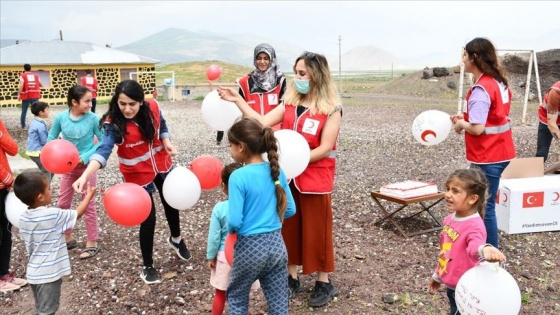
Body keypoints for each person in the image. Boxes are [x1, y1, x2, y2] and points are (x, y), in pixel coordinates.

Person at [218, 51, 343, 307]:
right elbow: (262, 122)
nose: (296, 78)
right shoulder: (289, 101)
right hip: (287, 177)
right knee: (289, 225)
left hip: (314, 179)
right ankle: (291, 275)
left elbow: (325, 146)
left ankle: (323, 280)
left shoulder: (332, 109)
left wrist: (297, 160)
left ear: (316, 76)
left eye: (301, 73)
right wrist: (237, 101)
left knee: (318, 229)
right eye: (296, 72)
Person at [72, 79, 191, 284]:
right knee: (148, 218)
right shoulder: (113, 125)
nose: (127, 109)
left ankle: (176, 240)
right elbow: (103, 151)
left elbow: (161, 124)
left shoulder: (152, 106)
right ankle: (148, 265)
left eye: (132, 104)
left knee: (172, 203)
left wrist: (167, 142)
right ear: (116, 102)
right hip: (137, 174)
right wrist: (84, 175)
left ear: (141, 102)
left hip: (162, 164)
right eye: (122, 103)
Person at [224, 117, 295, 314]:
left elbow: (234, 220)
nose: (230, 150)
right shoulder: (276, 171)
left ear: (240, 146)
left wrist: (230, 230)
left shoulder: (238, 176)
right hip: (277, 246)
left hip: (249, 248)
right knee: (279, 301)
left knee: (238, 297)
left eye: (230, 145)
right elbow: (290, 210)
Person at [451, 37, 516, 249]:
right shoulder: (497, 81)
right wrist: (466, 116)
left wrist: (462, 123)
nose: (462, 60)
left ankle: (489, 255)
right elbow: (493, 115)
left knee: (484, 206)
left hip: (488, 155)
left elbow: (478, 128)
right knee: (483, 203)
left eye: (464, 55)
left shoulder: (481, 89)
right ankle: (480, 246)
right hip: (501, 151)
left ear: (474, 57)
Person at [13, 169, 96, 314]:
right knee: (47, 311)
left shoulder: (23, 218)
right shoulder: (52, 215)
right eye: (49, 189)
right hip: (48, 275)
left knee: (41, 308)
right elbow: (77, 214)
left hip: (33, 273)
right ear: (40, 197)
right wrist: (88, 195)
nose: (52, 191)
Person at [429, 168, 506, 315]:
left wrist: (485, 249)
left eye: (455, 191)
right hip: (452, 287)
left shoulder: (474, 226)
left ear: (472, 198)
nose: (447, 194)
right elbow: (445, 252)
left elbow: (474, 247)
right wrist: (438, 276)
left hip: (467, 290)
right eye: (447, 189)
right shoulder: (449, 219)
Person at [48, 85, 103, 259]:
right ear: (74, 102)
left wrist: (85, 157)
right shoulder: (61, 118)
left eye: (91, 100)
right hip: (67, 168)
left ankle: (92, 242)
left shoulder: (93, 118)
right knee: (63, 203)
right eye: (87, 101)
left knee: (88, 203)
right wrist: (53, 157)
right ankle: (67, 237)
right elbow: (51, 140)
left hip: (88, 167)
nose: (90, 103)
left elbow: (101, 142)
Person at [206, 162, 260, 315]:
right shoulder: (253, 206)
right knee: (242, 294)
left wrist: (211, 256)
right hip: (248, 255)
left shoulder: (220, 208)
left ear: (223, 186)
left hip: (224, 257)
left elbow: (214, 236)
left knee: (220, 293)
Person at [215, 43, 287, 145]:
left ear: (272, 60)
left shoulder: (280, 80)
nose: (262, 62)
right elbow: (240, 110)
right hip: (252, 134)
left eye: (266, 58)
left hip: (275, 134)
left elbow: (285, 109)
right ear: (254, 59)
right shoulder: (245, 82)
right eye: (259, 58)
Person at [0, 119, 28, 292]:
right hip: (5, 182)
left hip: (3, 188)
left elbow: (13, 149)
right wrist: (9, 180)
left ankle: (3, 274)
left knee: (6, 232)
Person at [25, 101, 52, 182]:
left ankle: (45, 187)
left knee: (51, 168)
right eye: (47, 110)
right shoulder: (40, 125)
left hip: (33, 151)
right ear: (41, 113)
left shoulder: (36, 121)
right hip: (36, 152)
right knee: (47, 171)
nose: (49, 111)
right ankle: (45, 189)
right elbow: (44, 141)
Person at [535, 81, 560, 164]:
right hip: (547, 118)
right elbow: (552, 124)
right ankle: (536, 171)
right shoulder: (556, 92)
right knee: (542, 153)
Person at [18, 63, 42, 128]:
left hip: (26, 96)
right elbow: (40, 84)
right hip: (35, 95)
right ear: (30, 68)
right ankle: (37, 125)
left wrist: (19, 94)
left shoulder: (22, 75)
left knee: (24, 111)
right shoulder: (36, 75)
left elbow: (21, 85)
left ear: (24, 68)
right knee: (37, 111)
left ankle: (23, 126)